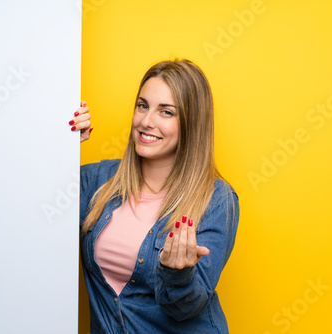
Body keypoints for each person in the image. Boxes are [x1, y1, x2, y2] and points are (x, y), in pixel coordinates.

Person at [69, 59, 239, 334]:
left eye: (166, 112)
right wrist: (60, 146)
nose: (146, 122)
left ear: (191, 124)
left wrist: (177, 274)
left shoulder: (217, 199)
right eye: (143, 106)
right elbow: (22, 202)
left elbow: (186, 308)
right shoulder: (98, 181)